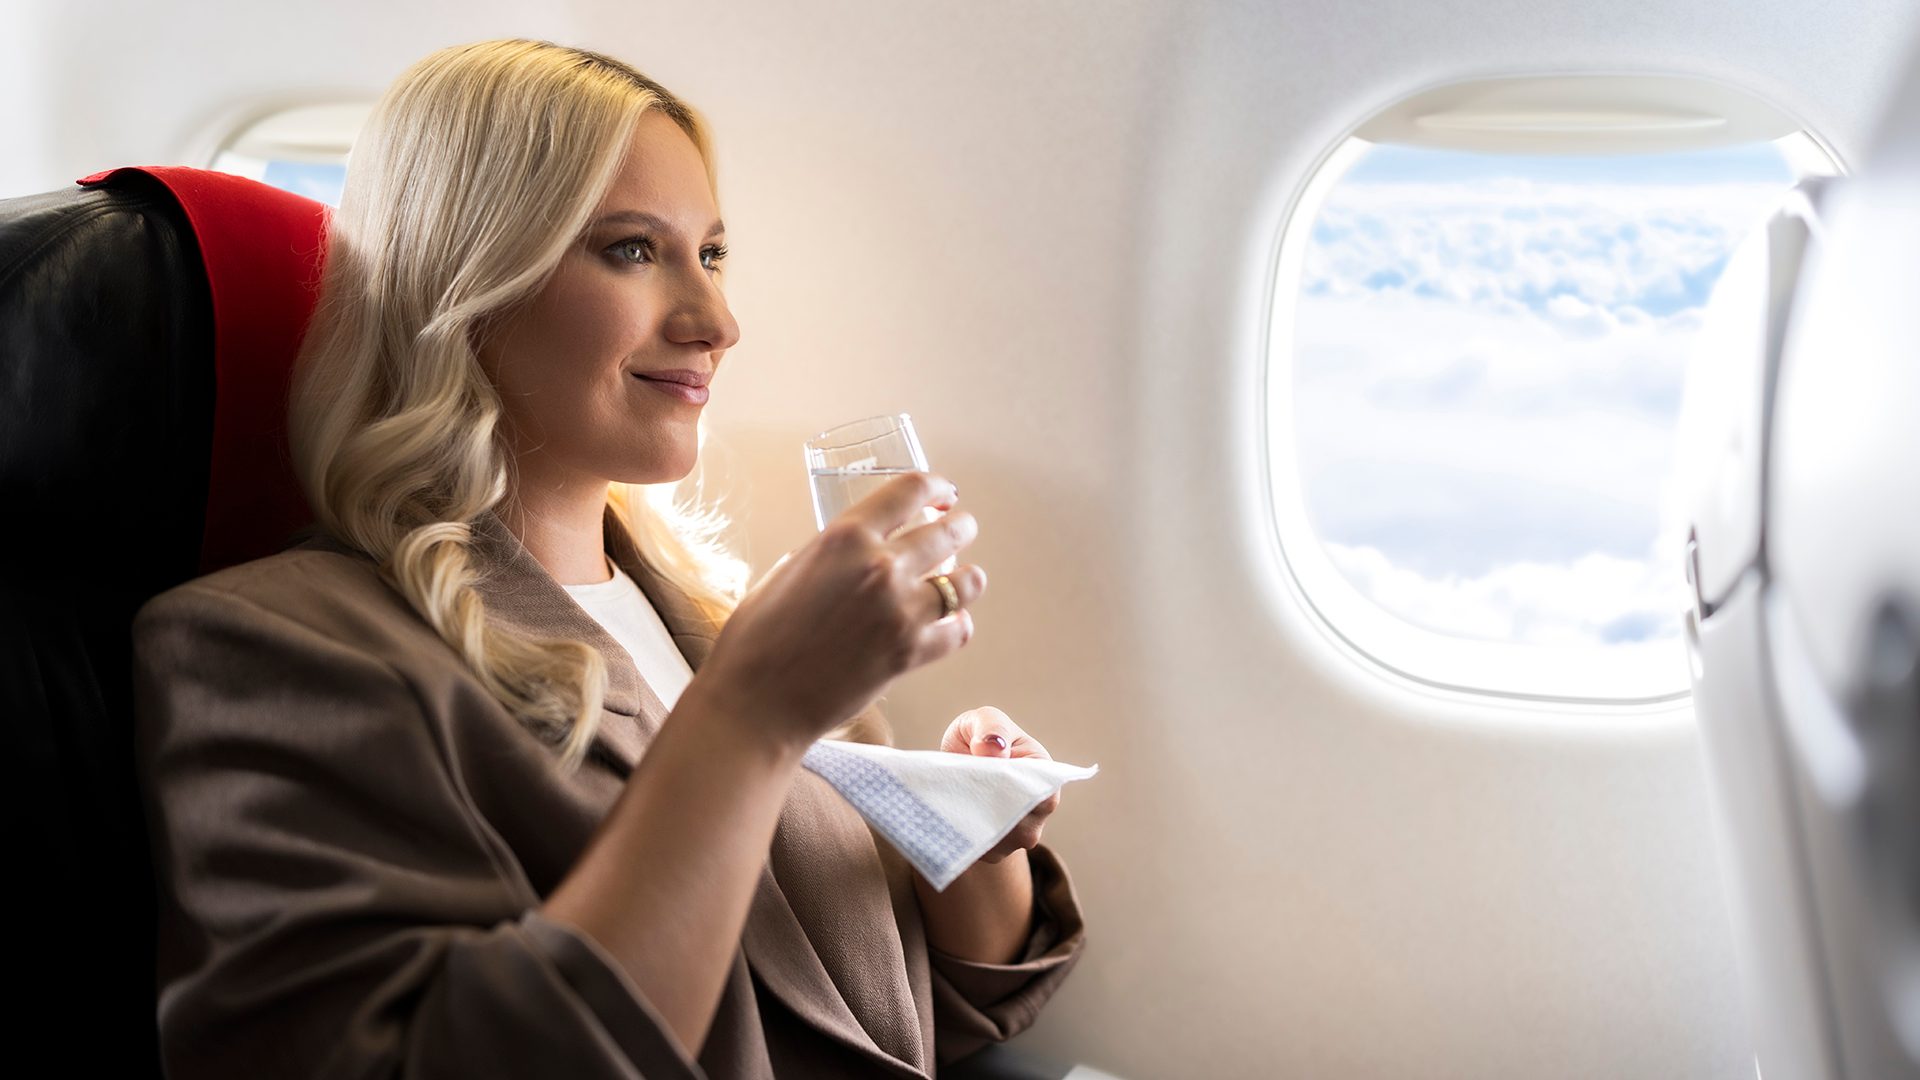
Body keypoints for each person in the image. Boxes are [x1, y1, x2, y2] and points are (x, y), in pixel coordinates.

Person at [131, 38, 1085, 1079]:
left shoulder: (724, 617)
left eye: (711, 254)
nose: (717, 322)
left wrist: (969, 837)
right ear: (471, 276)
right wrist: (751, 718)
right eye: (632, 249)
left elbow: (909, 1023)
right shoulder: (272, 646)